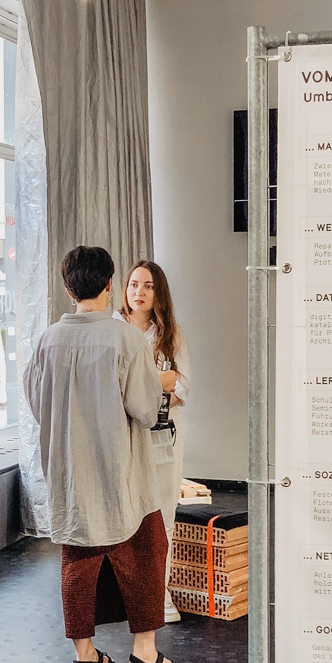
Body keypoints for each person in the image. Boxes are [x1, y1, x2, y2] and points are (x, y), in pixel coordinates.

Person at [22, 245, 193, 663]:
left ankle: (84, 657)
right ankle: (145, 654)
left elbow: (37, 404)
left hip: (69, 471)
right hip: (121, 470)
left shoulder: (47, 340)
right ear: (110, 285)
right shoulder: (125, 339)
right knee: (146, 550)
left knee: (77, 561)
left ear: (68, 289)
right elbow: (145, 408)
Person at [117, 260, 190, 623]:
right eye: (134, 284)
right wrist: (157, 383)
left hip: (163, 436)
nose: (139, 292)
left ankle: (159, 595)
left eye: (148, 286)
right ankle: (127, 596)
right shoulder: (113, 329)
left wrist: (151, 391)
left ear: (159, 292)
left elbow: (182, 386)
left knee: (163, 516)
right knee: (125, 515)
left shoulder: (171, 333)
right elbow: (116, 388)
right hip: (122, 435)